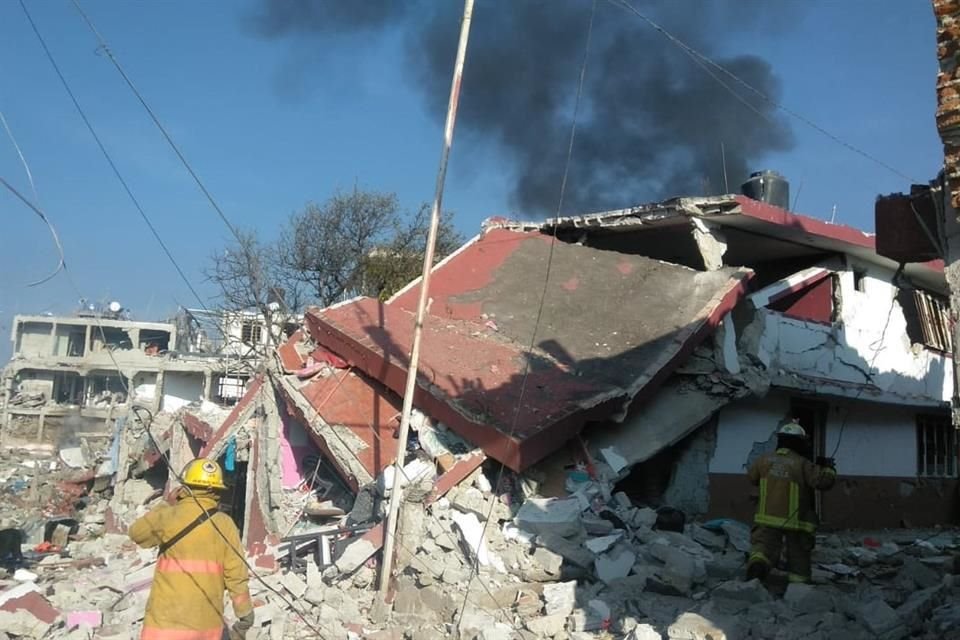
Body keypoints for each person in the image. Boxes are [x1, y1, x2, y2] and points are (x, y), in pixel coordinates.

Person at [129, 458, 254, 640]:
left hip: (164, 623)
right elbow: (236, 575)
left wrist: (165, 504)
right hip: (205, 626)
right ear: (216, 491)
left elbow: (137, 534)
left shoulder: (170, 515)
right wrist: (245, 613)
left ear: (185, 487)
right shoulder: (225, 524)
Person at [745, 421, 837, 584]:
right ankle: (798, 585)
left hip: (766, 518)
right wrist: (829, 468)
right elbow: (823, 482)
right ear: (799, 442)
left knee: (763, 548)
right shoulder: (802, 463)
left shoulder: (763, 460)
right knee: (799, 554)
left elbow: (752, 478)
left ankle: (757, 567)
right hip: (796, 522)